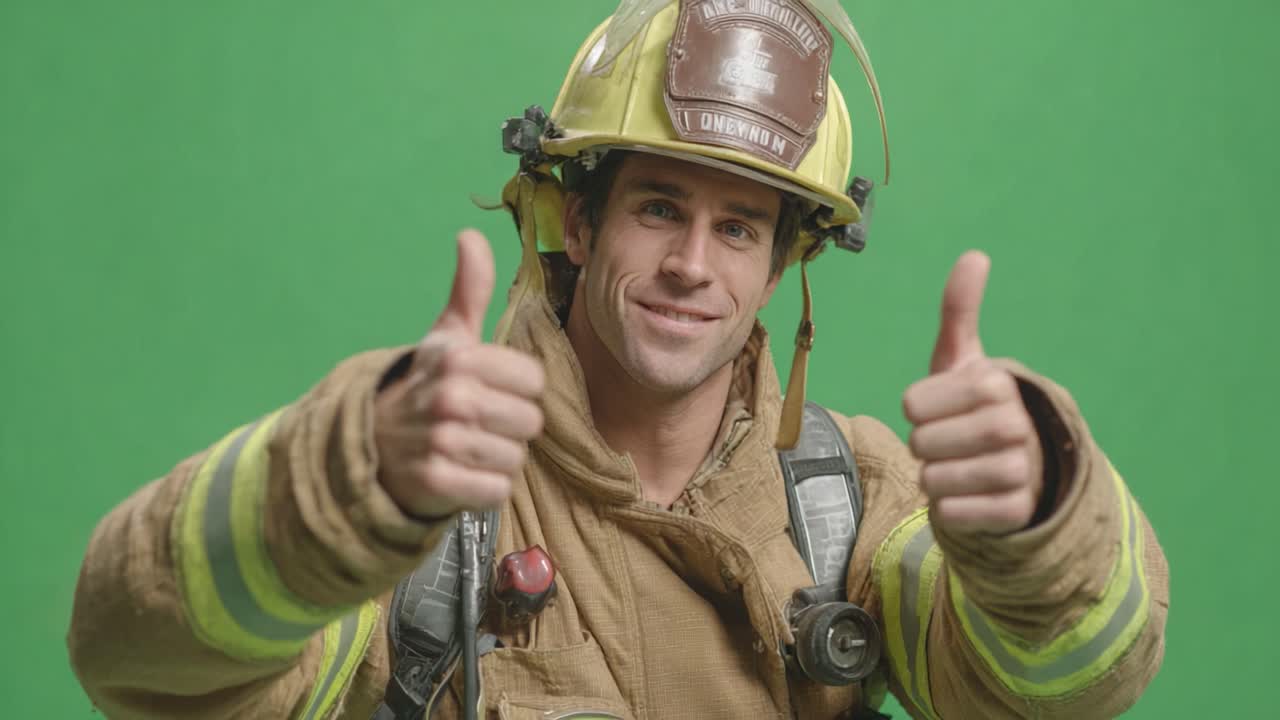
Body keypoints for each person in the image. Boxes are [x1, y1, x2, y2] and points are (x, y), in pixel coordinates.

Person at [68, 1, 1168, 718]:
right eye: (658, 208)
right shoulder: (416, 499)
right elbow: (138, 655)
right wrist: (341, 485)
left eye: (739, 228)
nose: (692, 264)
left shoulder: (852, 507)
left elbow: (1066, 687)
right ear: (578, 223)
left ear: (779, 268)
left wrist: (1035, 527)